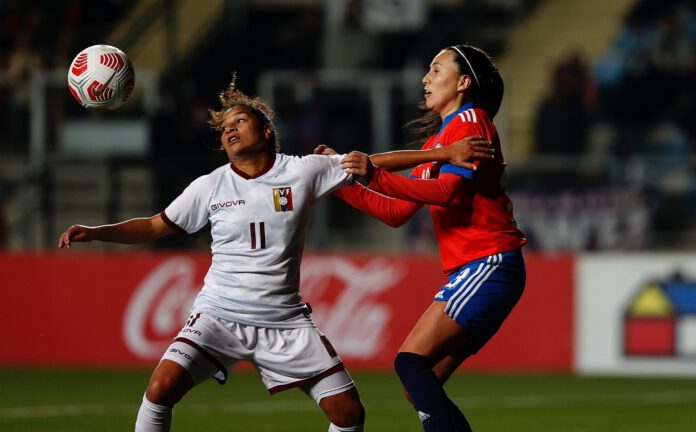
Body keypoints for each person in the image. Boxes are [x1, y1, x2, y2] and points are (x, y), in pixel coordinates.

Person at [57, 75, 491, 432]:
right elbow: (155, 225)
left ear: (266, 130)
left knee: (350, 415)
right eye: (224, 127)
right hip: (219, 313)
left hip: (284, 321)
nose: (229, 129)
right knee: (160, 389)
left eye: (239, 120)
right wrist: (98, 231)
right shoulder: (210, 186)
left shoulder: (301, 171)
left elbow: (369, 162)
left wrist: (444, 152)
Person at [317, 44, 527, 431]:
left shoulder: (471, 120)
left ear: (464, 82)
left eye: (435, 70)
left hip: (489, 262)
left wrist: (373, 173)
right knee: (419, 384)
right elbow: (395, 212)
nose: (425, 79)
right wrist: (340, 183)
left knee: (409, 362)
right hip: (481, 268)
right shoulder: (437, 145)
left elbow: (448, 192)